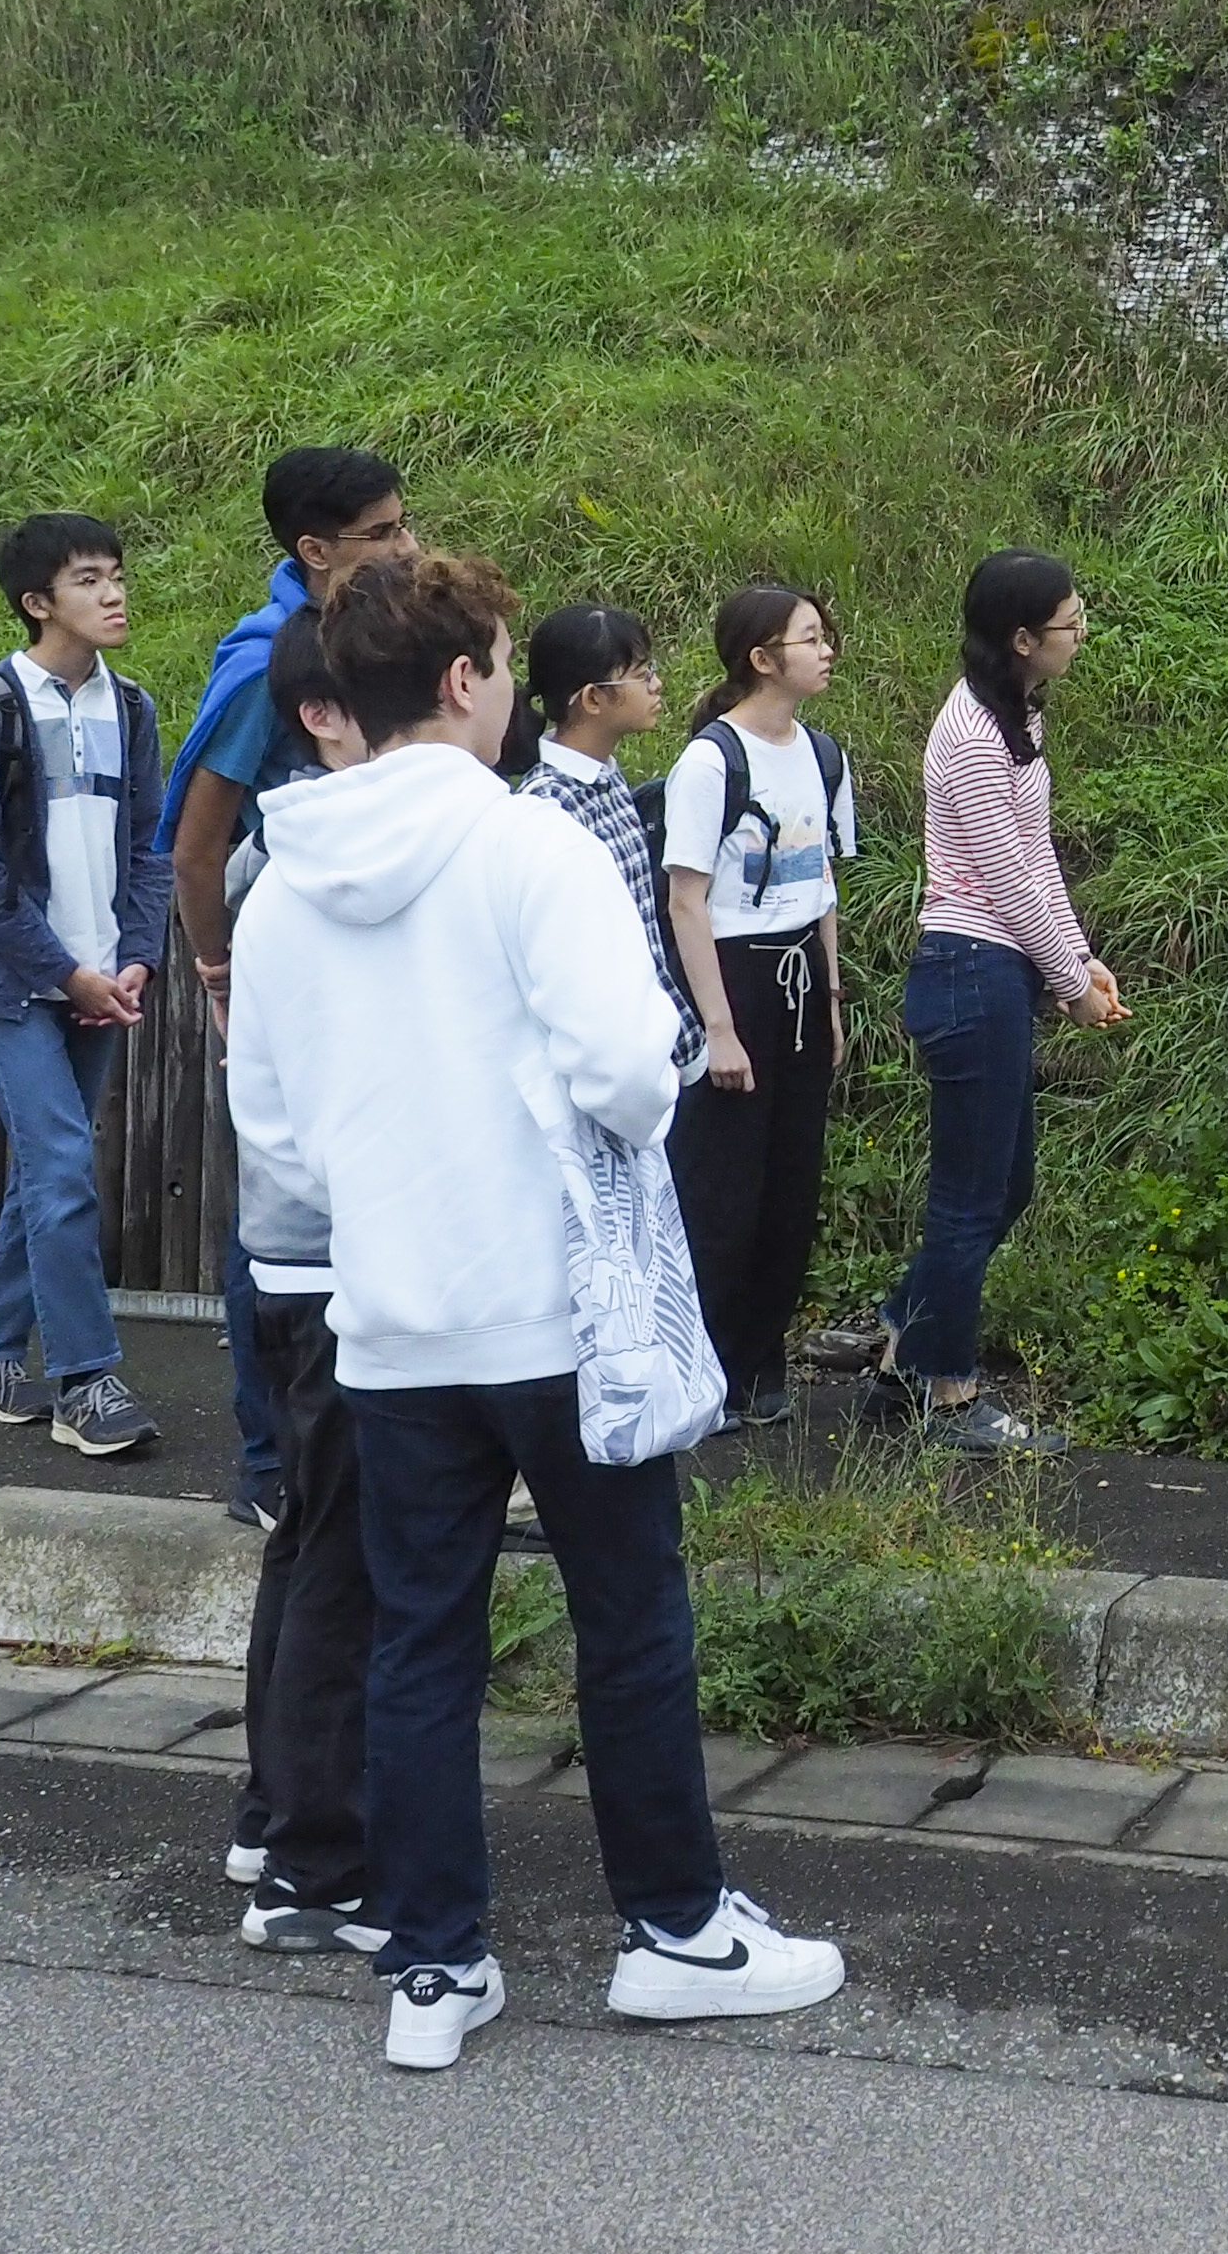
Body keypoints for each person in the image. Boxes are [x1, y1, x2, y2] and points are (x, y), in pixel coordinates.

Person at [222, 547, 843, 2070]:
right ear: (461, 681)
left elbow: (278, 1135)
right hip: (560, 1319)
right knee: (628, 1620)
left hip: (391, 1324)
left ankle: (435, 1967)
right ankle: (677, 1930)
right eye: (498, 663)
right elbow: (633, 1075)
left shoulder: (285, 882)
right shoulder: (531, 850)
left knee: (420, 1638)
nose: (506, 690)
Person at [160, 446, 417, 1533]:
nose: (407, 547)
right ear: (315, 551)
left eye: (406, 525)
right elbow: (197, 844)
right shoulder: (274, 664)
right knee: (275, 1213)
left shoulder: (372, 638)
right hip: (282, 971)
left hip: (363, 972)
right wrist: (223, 978)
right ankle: (269, 1462)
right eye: (381, 535)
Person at [0, 512, 175, 1460]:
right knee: (65, 1168)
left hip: (106, 974)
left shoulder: (138, 707)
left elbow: (152, 849)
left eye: (116, 574)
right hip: (17, 979)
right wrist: (62, 969)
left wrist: (134, 957)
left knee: (49, 1169)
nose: (114, 594)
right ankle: (86, 1380)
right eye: (88, 580)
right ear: (39, 604)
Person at [884, 548, 1120, 1455]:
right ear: (1021, 638)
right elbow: (1005, 881)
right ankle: (946, 1391)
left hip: (997, 970)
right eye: (1069, 623)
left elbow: (1037, 858)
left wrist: (1080, 961)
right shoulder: (975, 736)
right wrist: (1070, 979)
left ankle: (904, 1342)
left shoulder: (1013, 711)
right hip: (969, 970)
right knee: (970, 1198)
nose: (1081, 632)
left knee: (1003, 1185)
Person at [224, 610, 382, 1947]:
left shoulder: (293, 868)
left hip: (305, 1251)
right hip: (333, 1259)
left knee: (313, 1544)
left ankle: (276, 1815)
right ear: (328, 717)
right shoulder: (314, 877)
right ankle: (312, 1863)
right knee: (341, 1558)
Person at [657, 588, 859, 1431]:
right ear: (761, 659)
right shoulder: (710, 762)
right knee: (721, 1185)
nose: (826, 652)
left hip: (800, 981)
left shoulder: (823, 755)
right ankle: (704, 1366)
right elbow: (686, 901)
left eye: (824, 637)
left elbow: (821, 889)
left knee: (790, 1179)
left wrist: (835, 997)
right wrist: (721, 1026)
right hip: (733, 978)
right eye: (809, 640)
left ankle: (761, 1361)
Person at [503, 601, 706, 1082]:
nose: (656, 684)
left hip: (656, 1040)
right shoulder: (548, 804)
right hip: (612, 1064)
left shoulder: (606, 775)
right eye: (640, 674)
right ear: (592, 699)